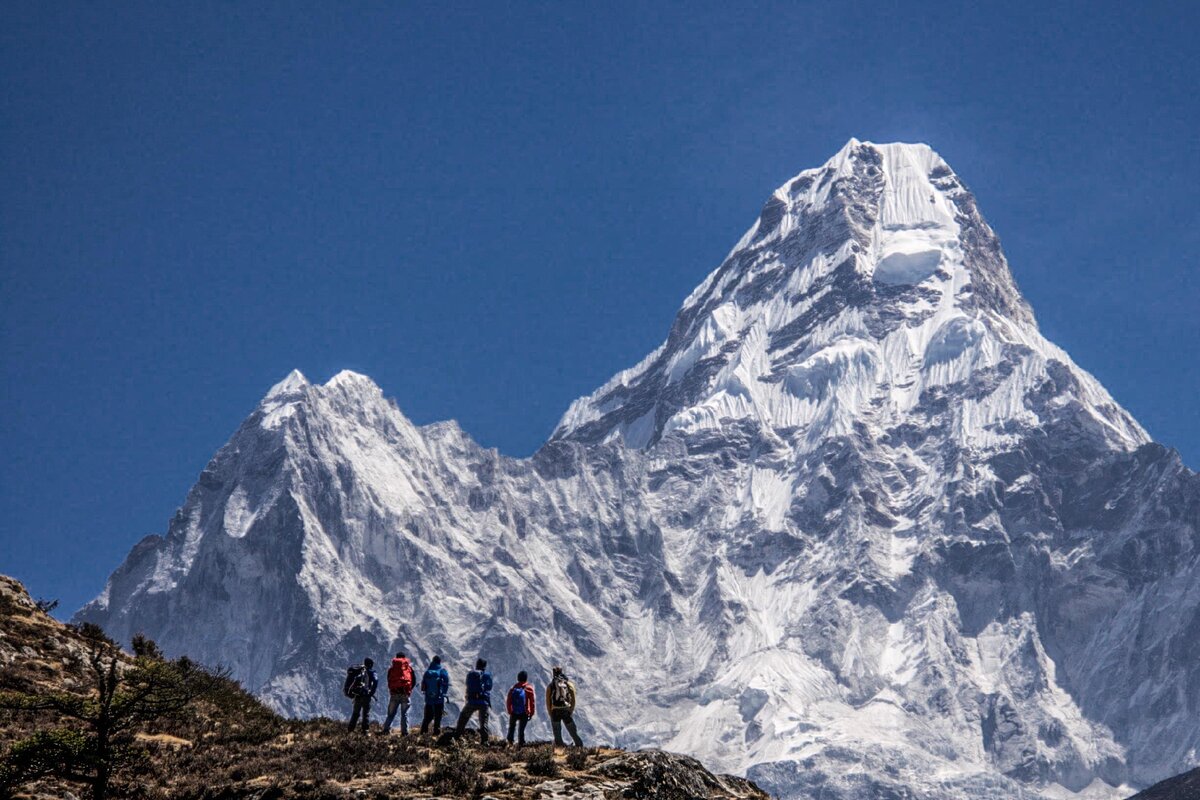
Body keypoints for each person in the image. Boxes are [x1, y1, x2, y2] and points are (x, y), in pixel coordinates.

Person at [454, 658, 493, 744]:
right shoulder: (488, 675)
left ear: (477, 665)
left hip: (472, 701)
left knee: (463, 717)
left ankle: (457, 736)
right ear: (485, 666)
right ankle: (485, 741)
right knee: (483, 723)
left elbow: (468, 685)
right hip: (484, 702)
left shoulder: (471, 674)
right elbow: (489, 687)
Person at [546, 665, 583, 747]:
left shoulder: (551, 686)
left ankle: (560, 748)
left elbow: (548, 702)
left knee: (557, 733)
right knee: (573, 732)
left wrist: (550, 713)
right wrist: (570, 710)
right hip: (566, 709)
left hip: (555, 710)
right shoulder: (568, 684)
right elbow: (573, 699)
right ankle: (579, 746)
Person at [382, 651, 415, 735]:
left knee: (391, 714)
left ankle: (386, 730)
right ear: (404, 658)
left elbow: (389, 680)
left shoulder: (392, 669)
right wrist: (408, 690)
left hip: (394, 694)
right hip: (405, 693)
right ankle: (404, 732)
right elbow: (413, 681)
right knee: (404, 714)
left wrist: (392, 690)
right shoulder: (409, 669)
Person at [345, 657, 378, 733]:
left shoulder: (359, 670)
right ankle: (365, 730)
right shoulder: (371, 672)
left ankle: (350, 729)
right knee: (365, 713)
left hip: (357, 694)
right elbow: (375, 681)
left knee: (355, 713)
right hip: (366, 695)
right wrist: (371, 693)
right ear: (370, 664)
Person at [420, 655, 450, 735]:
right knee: (438, 716)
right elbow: (446, 683)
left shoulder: (427, 672)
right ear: (439, 662)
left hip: (429, 698)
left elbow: (423, 686)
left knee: (427, 717)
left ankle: (423, 732)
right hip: (439, 698)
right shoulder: (442, 671)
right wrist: (443, 694)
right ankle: (436, 733)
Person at [505, 670, 536, 746]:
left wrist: (510, 710)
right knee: (521, 729)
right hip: (524, 712)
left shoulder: (513, 688)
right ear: (526, 678)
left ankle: (510, 742)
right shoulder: (529, 688)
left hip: (514, 712)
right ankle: (521, 744)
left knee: (512, 727)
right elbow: (532, 702)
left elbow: (509, 700)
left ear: (518, 678)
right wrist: (531, 713)